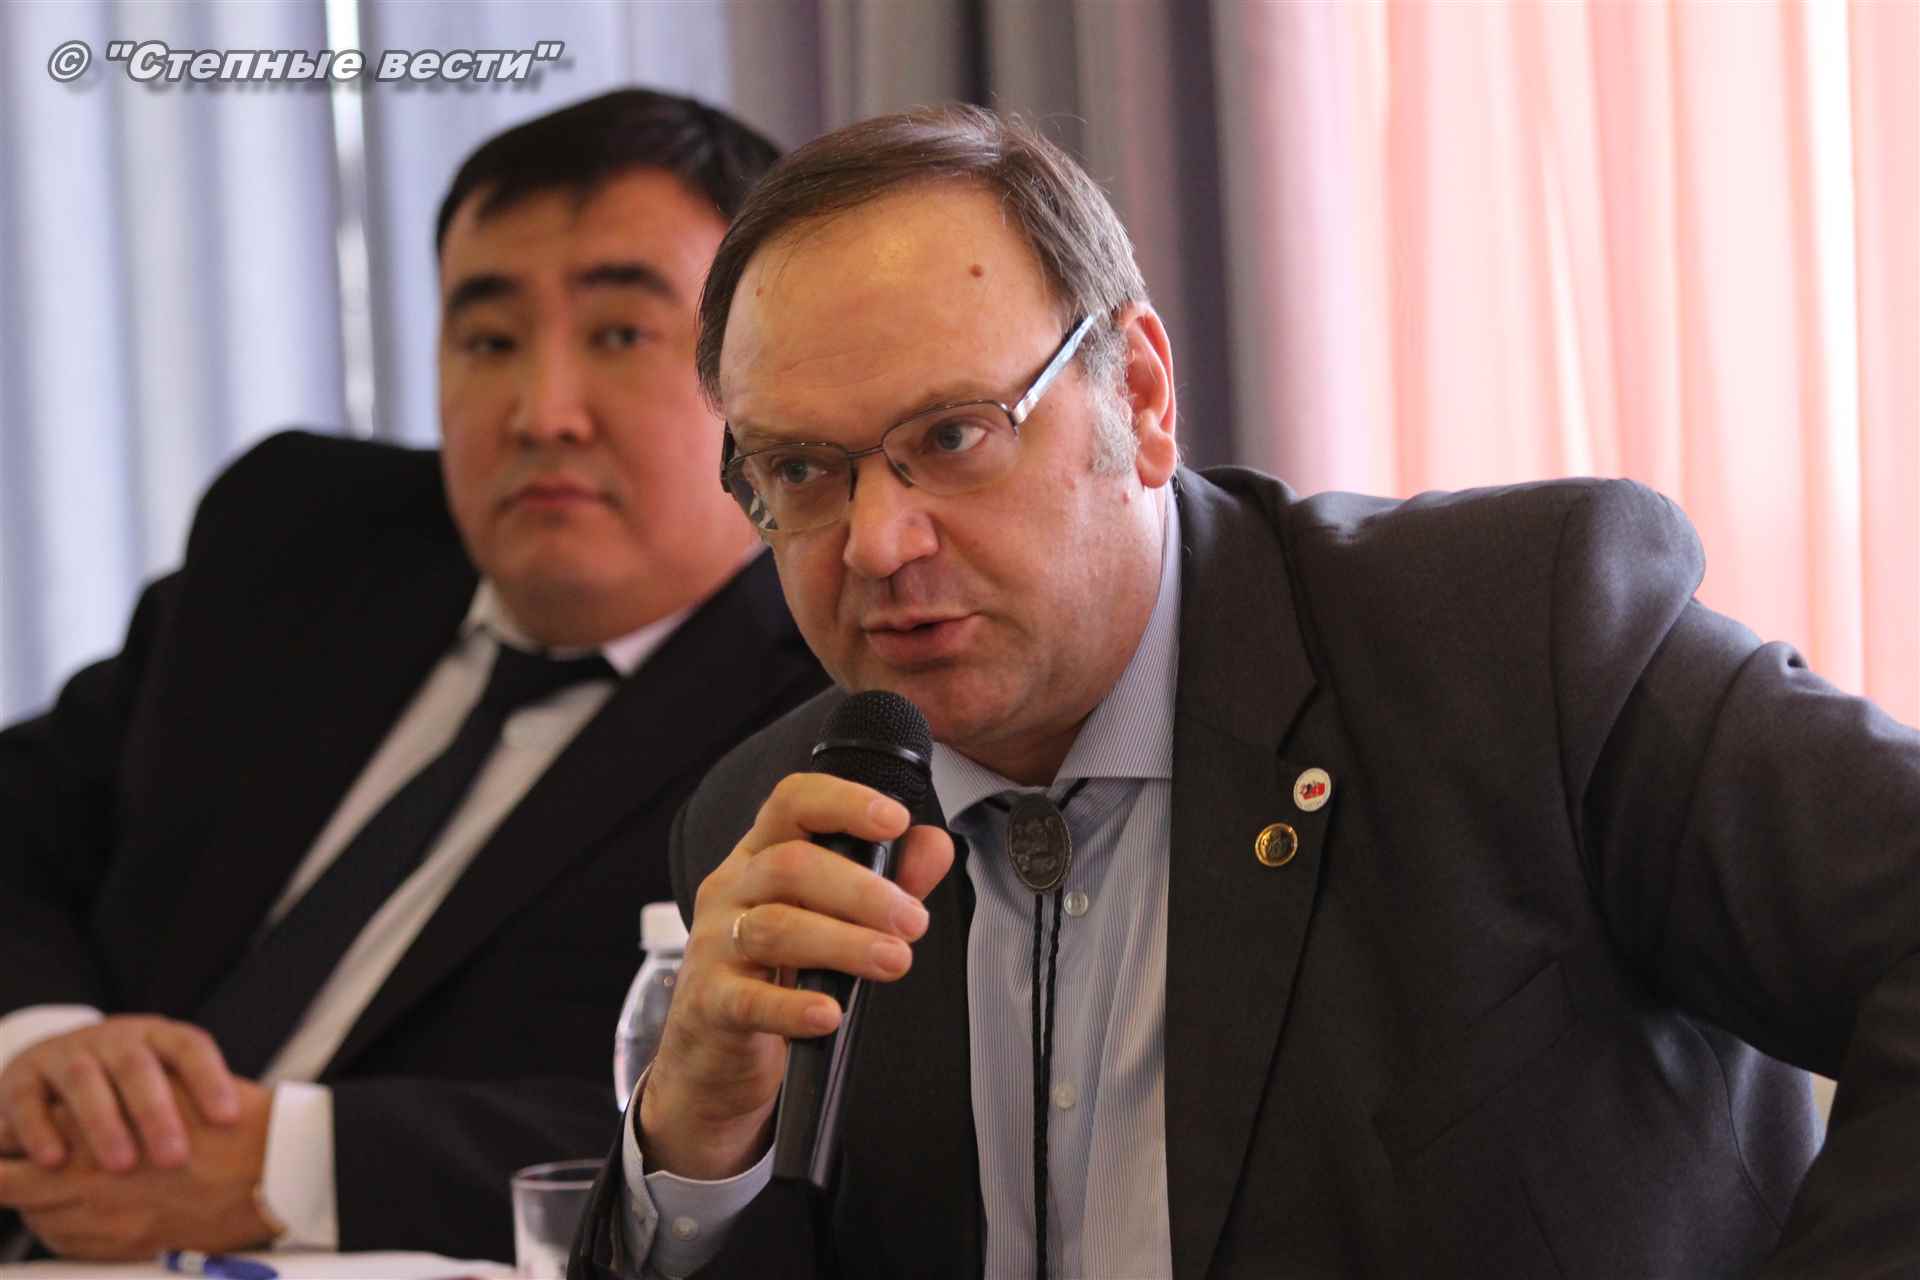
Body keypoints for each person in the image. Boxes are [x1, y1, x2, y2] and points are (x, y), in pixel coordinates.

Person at [568, 105, 1920, 1279]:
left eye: (954, 435)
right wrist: (693, 1150)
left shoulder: (1516, 650)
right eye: (803, 471)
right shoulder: (776, 825)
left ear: (1141, 396)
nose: (877, 543)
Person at [0, 88, 829, 1263]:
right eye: (487, 341)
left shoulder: (827, 698)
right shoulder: (302, 538)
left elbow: (777, 1121)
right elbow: (21, 821)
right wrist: (42, 1040)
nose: (541, 412)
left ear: (762, 374)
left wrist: (287, 1165)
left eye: (619, 335)